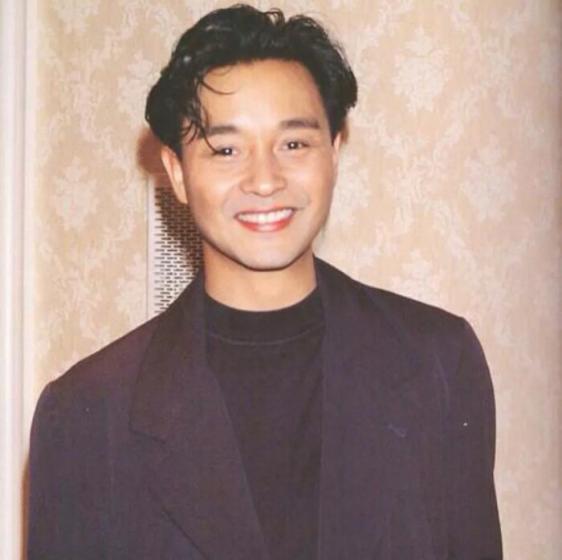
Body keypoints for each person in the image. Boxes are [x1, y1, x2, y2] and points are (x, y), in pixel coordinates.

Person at [27, 5, 502, 559]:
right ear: (177, 173)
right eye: (226, 150)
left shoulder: (437, 362)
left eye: (293, 144)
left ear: (334, 152)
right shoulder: (88, 411)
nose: (265, 180)